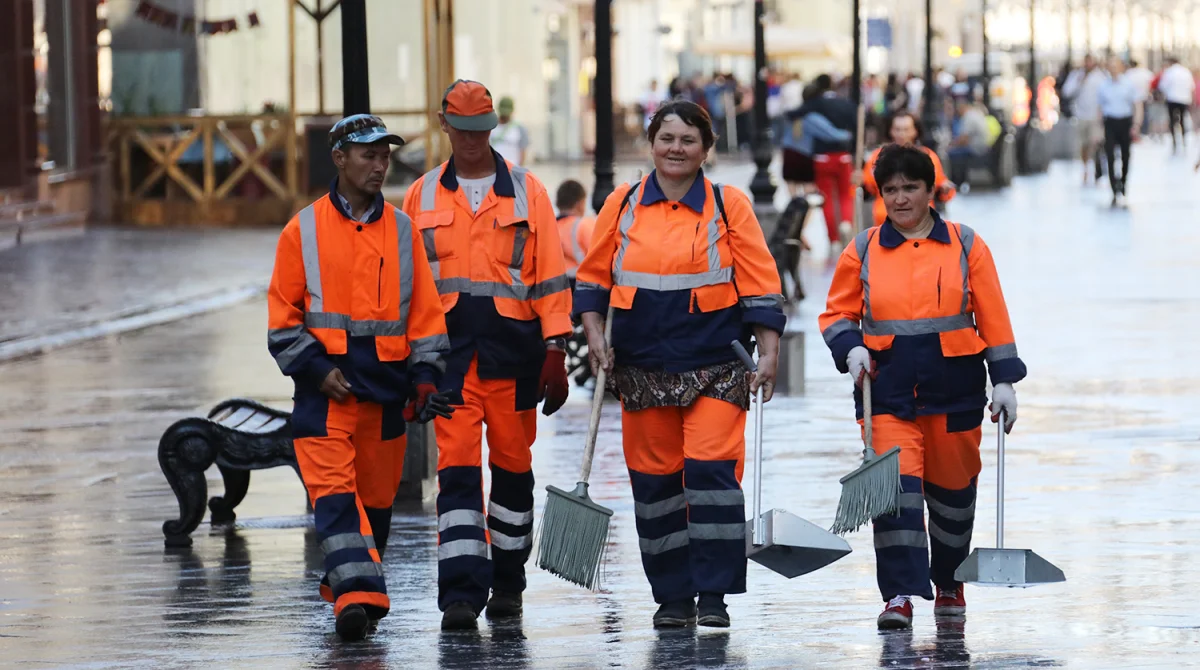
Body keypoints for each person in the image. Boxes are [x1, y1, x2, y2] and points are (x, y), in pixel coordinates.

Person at [574, 99, 786, 630]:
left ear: (706, 150)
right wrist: (594, 331)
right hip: (641, 369)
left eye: (688, 140)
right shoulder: (622, 204)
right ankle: (671, 596)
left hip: (717, 364)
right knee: (656, 485)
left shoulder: (727, 204)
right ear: (652, 144)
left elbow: (759, 280)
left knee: (712, 477)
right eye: (667, 138)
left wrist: (770, 351)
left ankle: (713, 595)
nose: (676, 149)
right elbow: (593, 278)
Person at [819, 144, 1026, 630]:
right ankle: (899, 596)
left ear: (930, 190)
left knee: (953, 498)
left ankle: (950, 581)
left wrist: (1005, 383)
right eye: (890, 190)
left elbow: (993, 316)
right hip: (886, 394)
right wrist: (850, 347)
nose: (900, 198)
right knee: (894, 496)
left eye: (910, 187)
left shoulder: (966, 244)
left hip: (954, 392)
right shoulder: (864, 248)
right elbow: (836, 313)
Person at [267, 114, 454, 641]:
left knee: (374, 505)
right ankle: (355, 597)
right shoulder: (301, 231)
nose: (380, 165)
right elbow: (282, 319)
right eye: (368, 155)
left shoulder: (402, 231)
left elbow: (425, 315)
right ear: (340, 159)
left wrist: (424, 378)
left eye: (384, 155)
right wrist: (317, 369)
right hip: (324, 396)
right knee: (334, 497)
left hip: (387, 395)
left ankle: (353, 590)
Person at [401, 80, 573, 631]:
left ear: (491, 127)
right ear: (444, 125)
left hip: (514, 357)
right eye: (463, 130)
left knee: (513, 472)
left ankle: (508, 583)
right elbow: (409, 285)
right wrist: (412, 364)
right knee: (455, 476)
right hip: (449, 360)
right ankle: (459, 593)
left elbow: (549, 275)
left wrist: (556, 349)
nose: (472, 141)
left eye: (481, 131)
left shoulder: (528, 193)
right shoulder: (421, 196)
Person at [789, 74, 857, 250]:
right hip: (844, 156)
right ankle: (846, 223)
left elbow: (792, 115)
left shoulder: (815, 105)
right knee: (845, 195)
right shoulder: (847, 104)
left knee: (826, 198)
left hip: (822, 157)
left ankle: (833, 238)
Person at [863, 111, 956, 226]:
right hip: (886, 220)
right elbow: (867, 189)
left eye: (906, 129)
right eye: (897, 129)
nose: (901, 134)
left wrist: (944, 188)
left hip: (920, 221)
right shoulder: (877, 157)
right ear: (890, 131)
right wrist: (859, 183)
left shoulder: (927, 156)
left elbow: (938, 188)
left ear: (915, 131)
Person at [1098, 59, 1142, 207]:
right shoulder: (1104, 86)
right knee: (1110, 155)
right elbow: (1100, 107)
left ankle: (1123, 182)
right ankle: (1113, 186)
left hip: (1125, 122)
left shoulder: (1128, 84)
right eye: (1110, 66)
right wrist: (1100, 127)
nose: (1113, 69)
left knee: (1125, 155)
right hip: (1110, 122)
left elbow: (1137, 104)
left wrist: (1136, 124)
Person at [1062, 55, 1109, 184]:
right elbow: (1066, 92)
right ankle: (1085, 169)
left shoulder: (1101, 76)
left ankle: (1096, 169)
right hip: (1080, 115)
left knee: (1095, 143)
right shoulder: (1076, 75)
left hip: (1095, 116)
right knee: (1083, 144)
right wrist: (1079, 82)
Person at [945, 98, 991, 190]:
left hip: (976, 148)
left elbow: (964, 140)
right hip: (983, 146)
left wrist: (950, 146)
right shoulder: (975, 113)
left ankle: (956, 181)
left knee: (952, 154)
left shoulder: (968, 117)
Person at [555, 179, 596, 279]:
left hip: (553, 286)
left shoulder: (548, 227)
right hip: (579, 285)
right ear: (580, 204)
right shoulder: (583, 225)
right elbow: (598, 258)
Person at [1157, 57, 1195, 153]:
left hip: (1172, 99)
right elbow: (1191, 86)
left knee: (1172, 120)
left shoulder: (1169, 72)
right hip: (1184, 99)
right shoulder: (1186, 72)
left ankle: (1174, 140)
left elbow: (1163, 86)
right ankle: (1183, 139)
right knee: (1182, 120)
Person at [490, 96, 531, 166]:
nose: (505, 116)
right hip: (493, 169)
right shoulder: (490, 126)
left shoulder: (519, 128)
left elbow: (523, 151)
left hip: (512, 169)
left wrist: (519, 171)